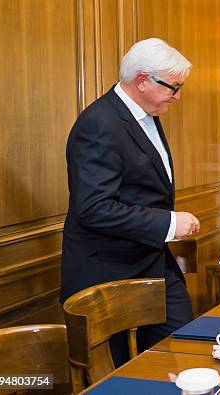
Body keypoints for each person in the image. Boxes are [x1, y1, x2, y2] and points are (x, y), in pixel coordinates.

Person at [61, 38, 200, 366]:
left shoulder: (147, 113)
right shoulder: (99, 123)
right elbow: (93, 208)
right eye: (173, 87)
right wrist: (168, 223)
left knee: (182, 350)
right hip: (110, 271)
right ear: (142, 81)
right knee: (124, 375)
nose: (178, 96)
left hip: (152, 261)